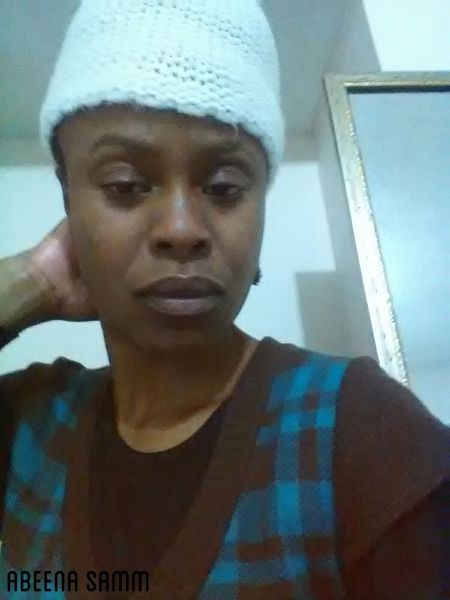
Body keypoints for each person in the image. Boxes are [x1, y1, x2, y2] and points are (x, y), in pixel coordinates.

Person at [0, 1, 449, 598]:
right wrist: (29, 282)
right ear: (68, 203)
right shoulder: (27, 425)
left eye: (224, 187)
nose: (182, 229)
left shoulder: (364, 431)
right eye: (125, 186)